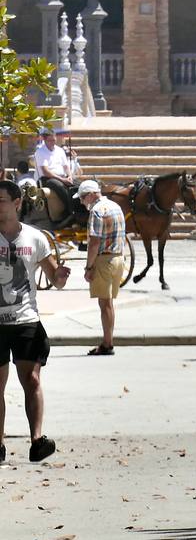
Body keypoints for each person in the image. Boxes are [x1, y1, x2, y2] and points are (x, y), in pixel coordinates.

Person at [0, 180, 69, 464]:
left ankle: (37, 441)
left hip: (27, 320)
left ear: (17, 203)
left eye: (1, 199)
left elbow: (54, 277)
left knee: (32, 379)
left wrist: (61, 276)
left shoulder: (35, 238)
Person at [77, 180, 126, 356]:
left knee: (104, 304)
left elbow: (94, 243)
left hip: (104, 260)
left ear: (90, 195)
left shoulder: (97, 211)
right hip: (118, 258)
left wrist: (88, 267)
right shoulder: (115, 206)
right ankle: (108, 341)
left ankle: (107, 343)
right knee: (109, 303)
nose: (82, 202)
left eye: (83, 198)